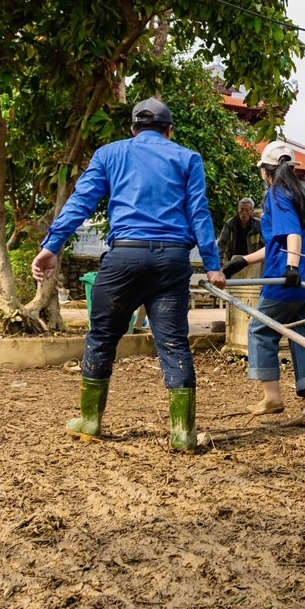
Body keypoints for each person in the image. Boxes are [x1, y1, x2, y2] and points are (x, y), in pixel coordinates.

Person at [32, 98, 224, 453]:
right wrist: (213, 264)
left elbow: (81, 202)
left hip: (124, 259)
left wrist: (52, 245)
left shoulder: (109, 154)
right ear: (170, 131)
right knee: (173, 343)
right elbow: (200, 213)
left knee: (103, 337)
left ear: (132, 129)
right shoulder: (187, 158)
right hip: (172, 262)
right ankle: (183, 432)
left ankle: (90, 421)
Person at [222, 141, 305, 428]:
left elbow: (291, 235)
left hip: (288, 281)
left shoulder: (277, 195)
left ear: (265, 171)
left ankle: (272, 397)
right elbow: (278, 243)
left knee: (260, 330)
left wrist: (291, 267)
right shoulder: (300, 196)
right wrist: (243, 260)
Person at [216, 197, 263, 264]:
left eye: (247, 210)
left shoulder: (259, 225)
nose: (244, 212)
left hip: (252, 262)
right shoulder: (230, 224)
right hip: (233, 261)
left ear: (252, 211)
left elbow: (266, 244)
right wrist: (219, 263)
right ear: (238, 210)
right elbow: (221, 245)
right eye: (242, 209)